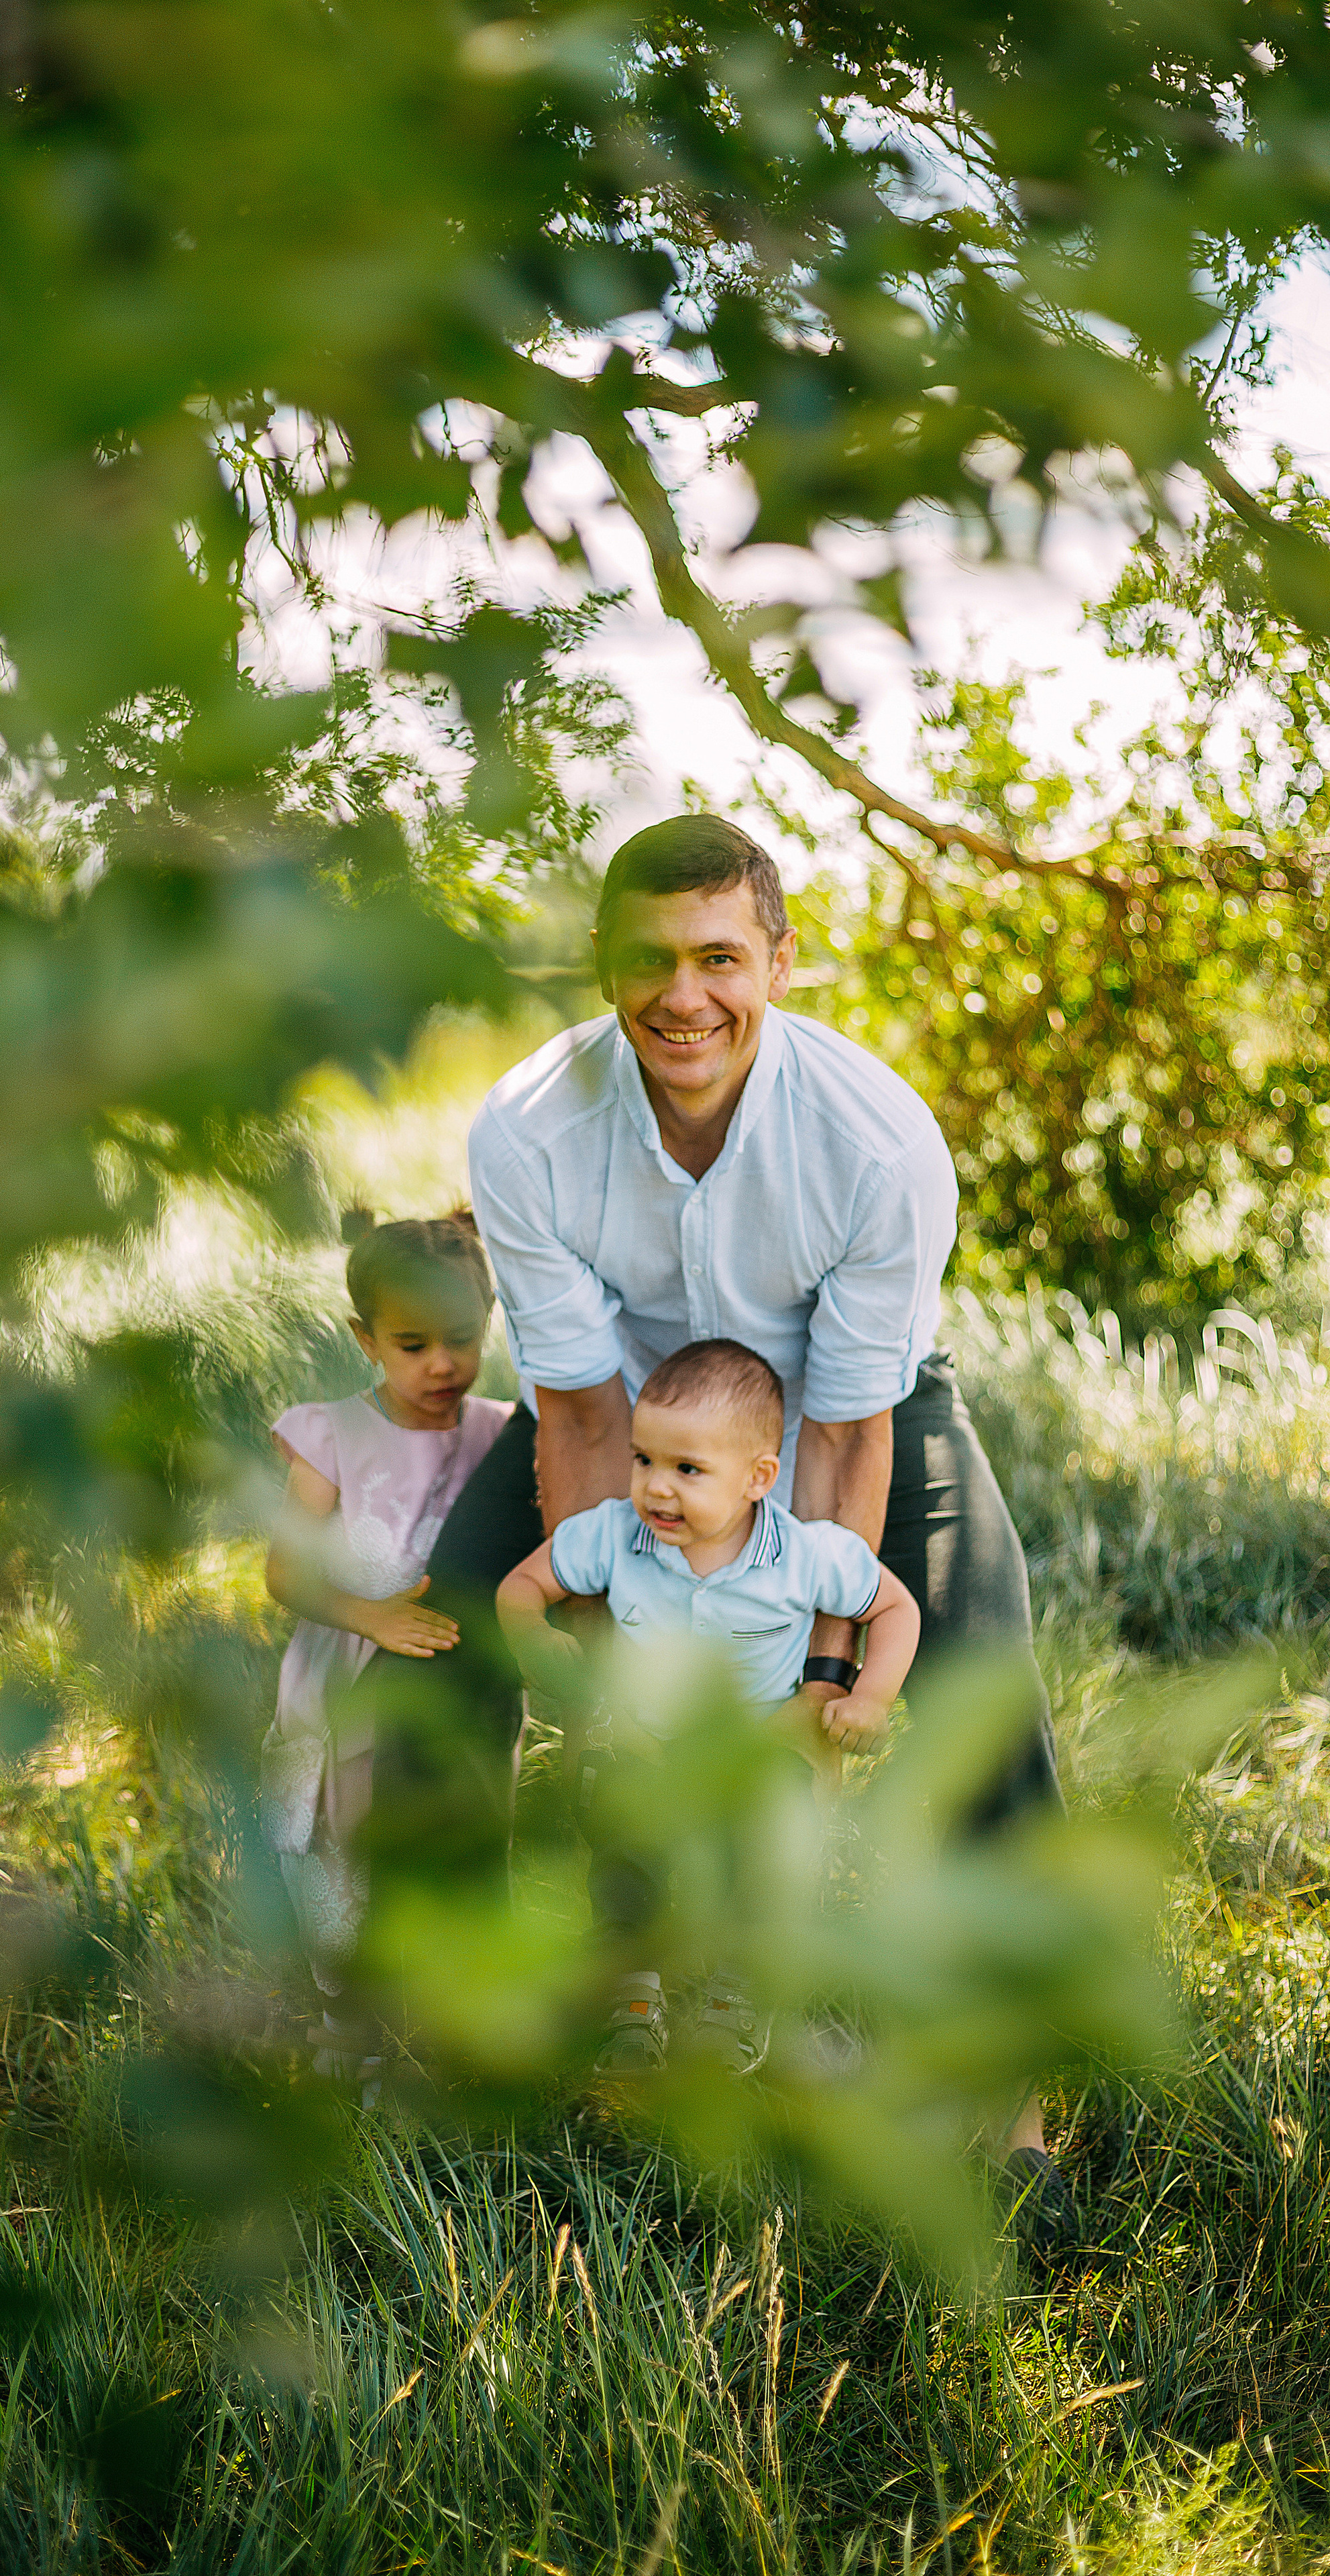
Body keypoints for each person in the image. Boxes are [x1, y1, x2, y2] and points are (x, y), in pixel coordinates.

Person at [341, 810, 1067, 2218]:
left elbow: (848, 1430)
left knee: (976, 1655)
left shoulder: (874, 1145)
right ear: (603, 965)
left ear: (779, 963)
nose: (686, 997)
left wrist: (813, 1674)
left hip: (860, 1408)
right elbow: (575, 1414)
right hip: (633, 1419)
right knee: (435, 1641)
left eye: (719, 957)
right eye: (650, 960)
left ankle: (1011, 2082)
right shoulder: (528, 1129)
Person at [497, 1337, 920, 2072]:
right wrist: (534, 1636)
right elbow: (522, 1587)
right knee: (621, 1826)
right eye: (644, 1460)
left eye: (687, 1470)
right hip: (648, 1738)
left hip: (753, 1741)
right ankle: (632, 1991)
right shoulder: (613, 1536)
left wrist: (871, 1696)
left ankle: (736, 1991)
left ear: (759, 1478)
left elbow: (895, 1609)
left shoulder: (806, 1556)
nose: (657, 1488)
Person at [260, 1208, 511, 2093]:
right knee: (351, 1845)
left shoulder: (497, 1431)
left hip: (452, 1691)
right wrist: (371, 1618)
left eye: (461, 1338)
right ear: (364, 1338)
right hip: (354, 1682)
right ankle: (351, 2020)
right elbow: (285, 1573)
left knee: (451, 1840)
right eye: (412, 1345)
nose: (441, 1365)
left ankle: (448, 2021)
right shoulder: (333, 1435)